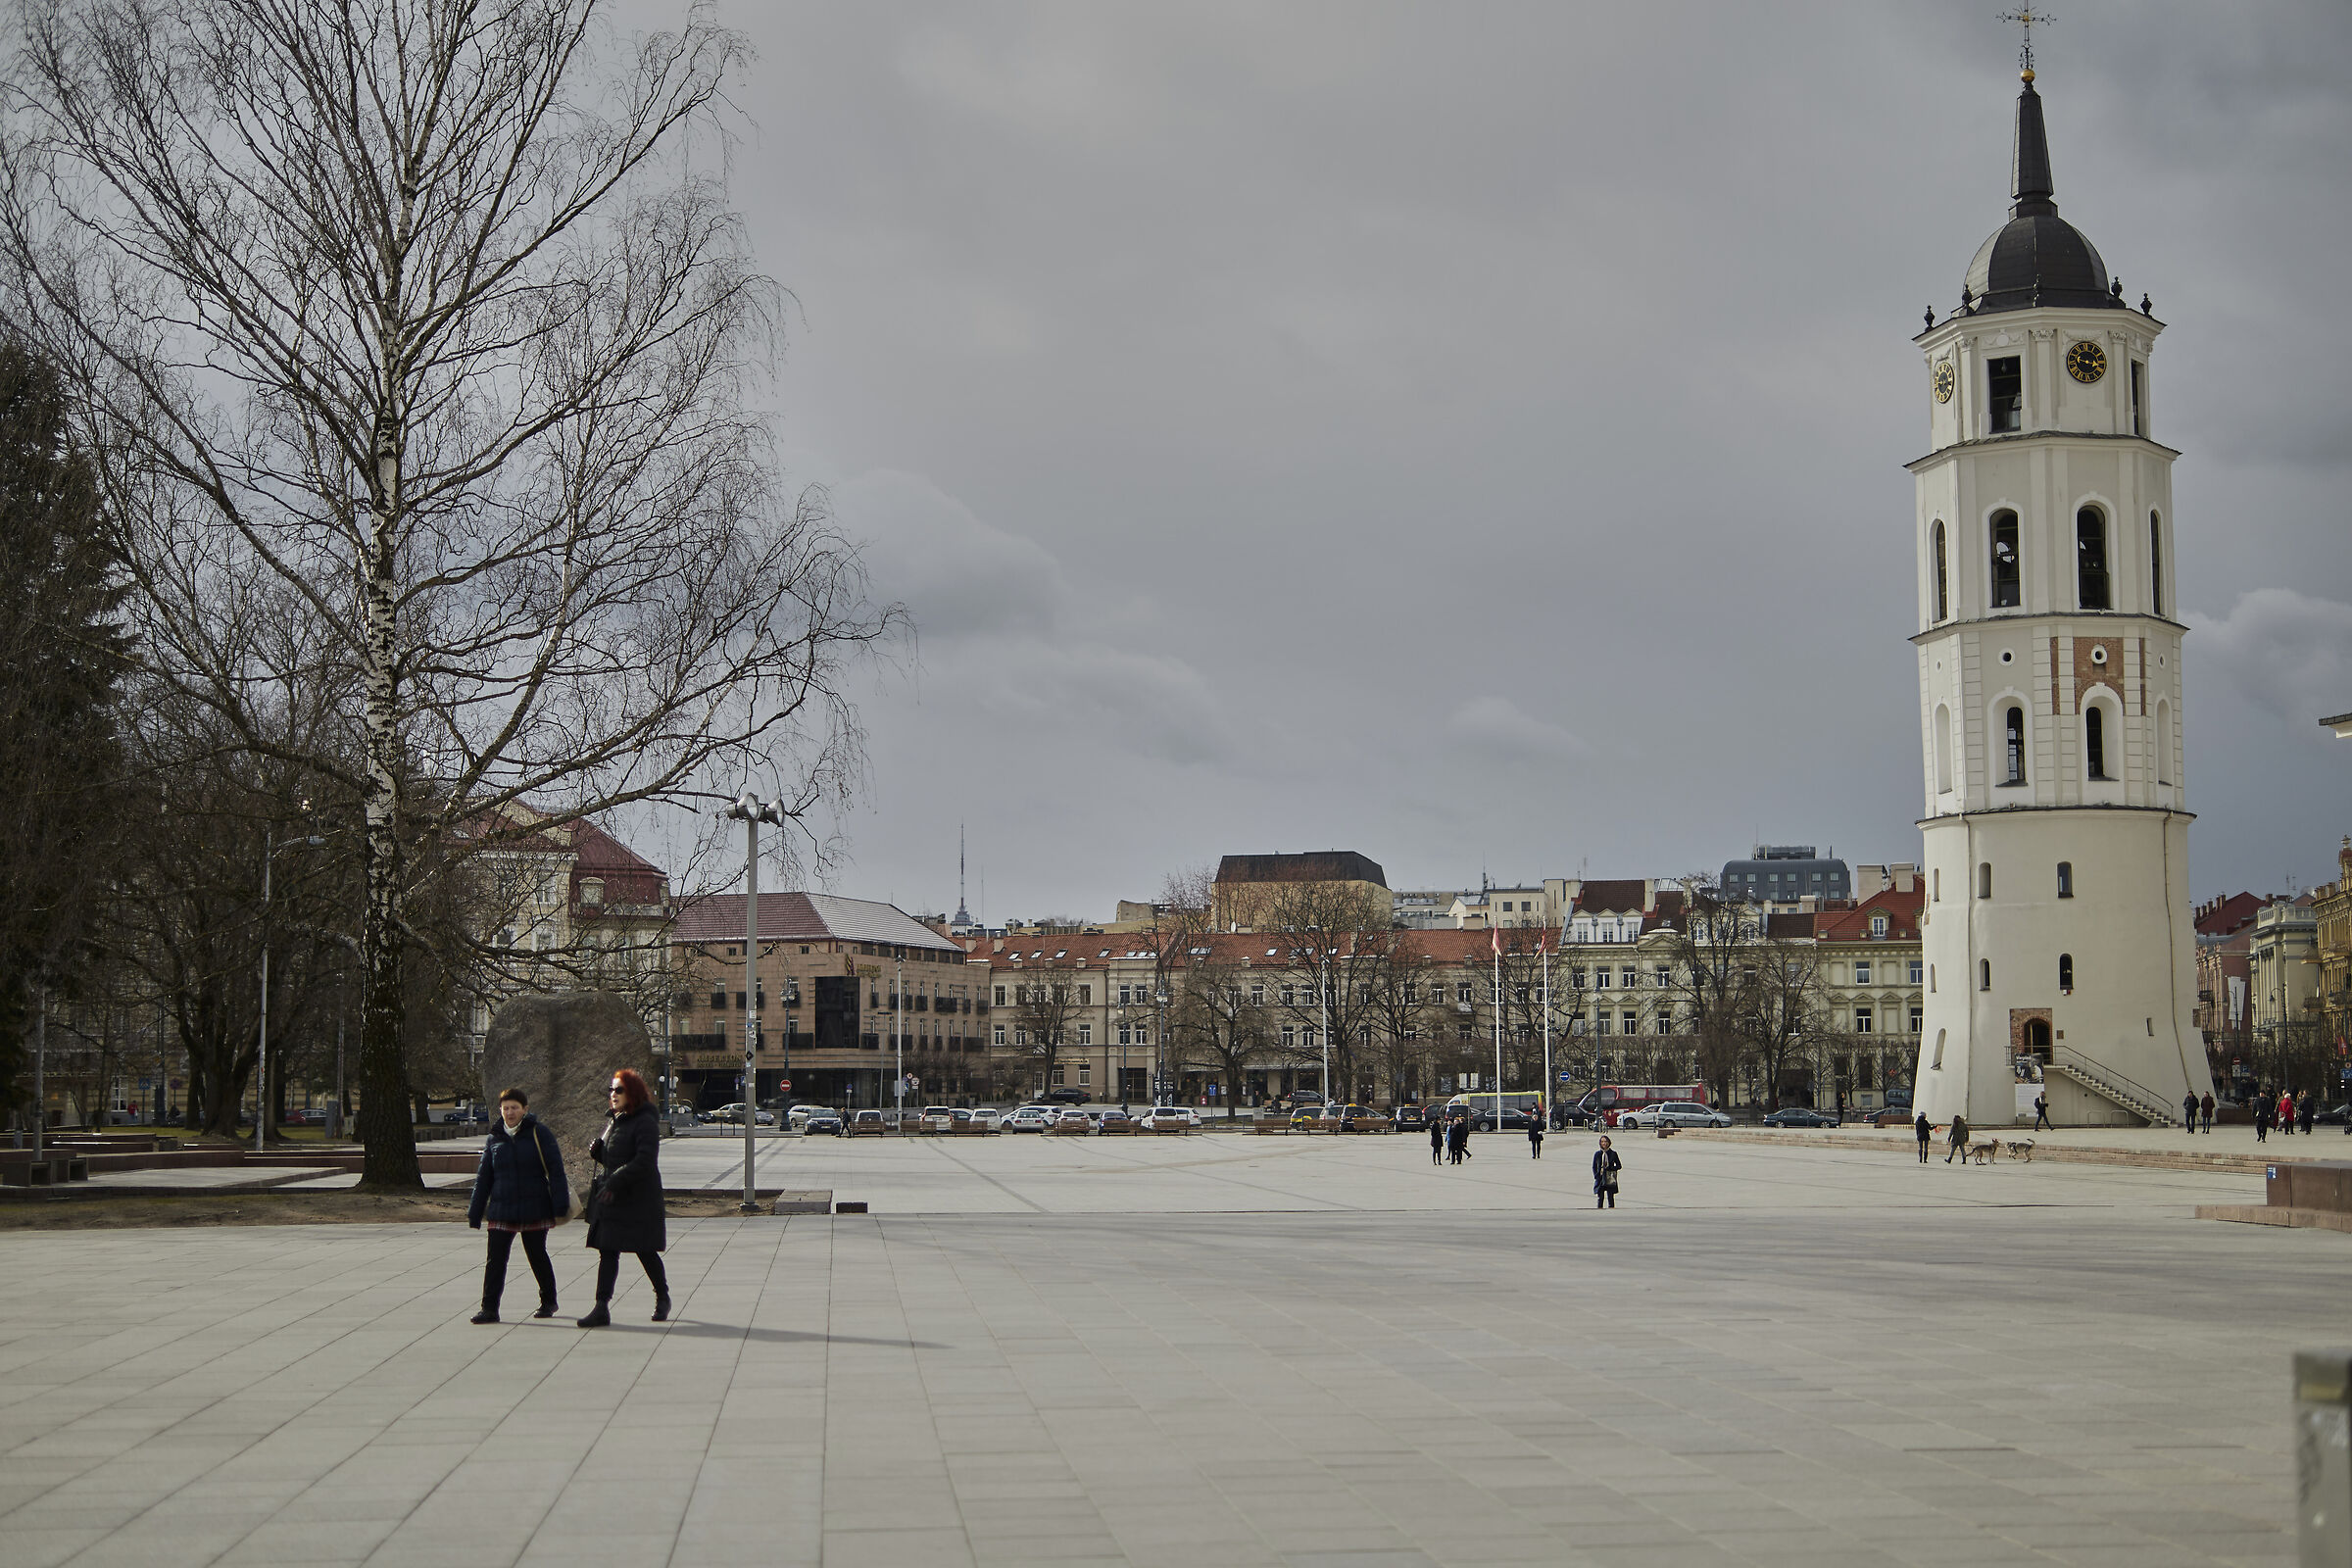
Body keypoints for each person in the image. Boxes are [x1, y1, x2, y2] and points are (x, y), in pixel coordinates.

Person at [466, 1087, 568, 1324]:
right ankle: (489, 1308)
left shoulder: (539, 1133)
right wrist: (475, 1210)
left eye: (514, 1108)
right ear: (500, 1110)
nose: (510, 1112)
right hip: (502, 1206)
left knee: (536, 1254)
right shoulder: (494, 1137)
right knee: (495, 1260)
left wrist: (560, 1204)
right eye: (505, 1108)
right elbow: (484, 1178)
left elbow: (556, 1171)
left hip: (535, 1205)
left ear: (525, 1109)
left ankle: (548, 1300)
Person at [579, 1068, 669, 1328]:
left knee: (645, 1250)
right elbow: (615, 1160)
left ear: (633, 1092)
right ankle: (601, 1307)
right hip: (613, 1197)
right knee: (608, 1251)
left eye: (619, 1090)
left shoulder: (645, 1122)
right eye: (611, 1090)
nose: (613, 1094)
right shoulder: (617, 1122)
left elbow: (644, 1160)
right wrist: (600, 1155)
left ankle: (662, 1296)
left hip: (639, 1199)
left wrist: (615, 1180)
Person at [1592, 1136, 1622, 1209]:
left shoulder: (1613, 1153)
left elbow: (1619, 1166)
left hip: (1609, 1177)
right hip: (1601, 1178)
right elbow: (1594, 1166)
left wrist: (1611, 1168)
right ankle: (1600, 1210)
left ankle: (1611, 1211)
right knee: (1600, 1197)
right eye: (1602, 1141)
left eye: (1605, 1141)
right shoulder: (1597, 1154)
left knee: (1610, 1197)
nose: (1604, 1143)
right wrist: (1596, 1175)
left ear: (1608, 1142)